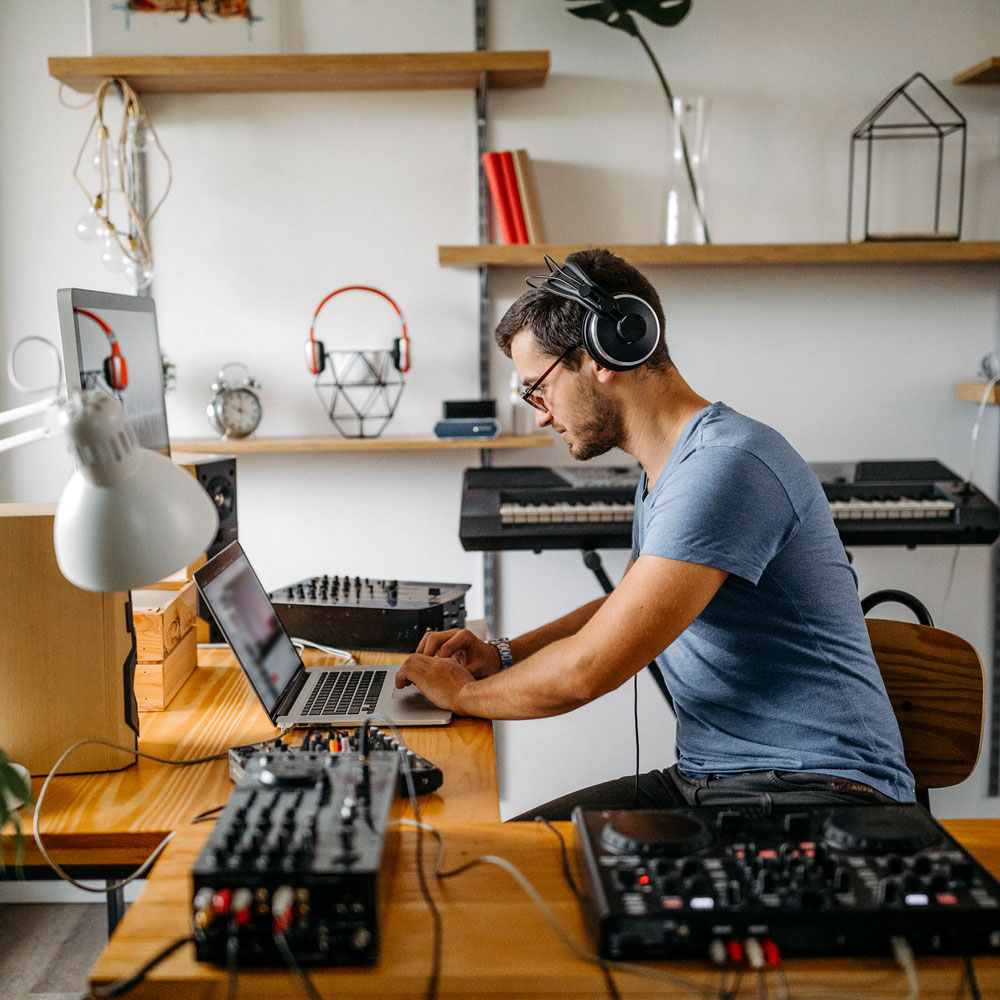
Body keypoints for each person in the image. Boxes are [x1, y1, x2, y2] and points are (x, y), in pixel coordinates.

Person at [395, 248, 915, 819]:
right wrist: (503, 652)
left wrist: (461, 694)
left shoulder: (725, 466)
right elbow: (624, 607)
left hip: (817, 792)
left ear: (605, 353)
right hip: (714, 779)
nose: (540, 414)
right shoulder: (665, 470)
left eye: (538, 388)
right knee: (500, 856)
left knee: (510, 879)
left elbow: (586, 672)